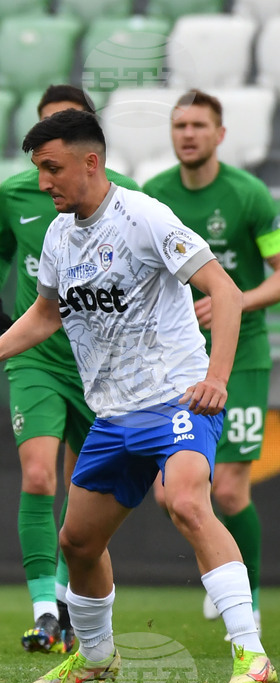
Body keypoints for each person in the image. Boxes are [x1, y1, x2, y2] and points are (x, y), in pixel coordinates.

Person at [0, 108, 276, 683]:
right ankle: (98, 658)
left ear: (91, 162)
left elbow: (226, 292)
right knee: (77, 542)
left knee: (187, 503)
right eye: (38, 170)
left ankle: (251, 655)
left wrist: (217, 378)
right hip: (113, 413)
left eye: (52, 168)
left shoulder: (144, 216)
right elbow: (46, 313)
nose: (43, 182)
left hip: (178, 398)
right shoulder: (59, 235)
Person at [0, 85, 140, 655]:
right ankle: (45, 613)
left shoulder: (128, 201)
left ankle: (76, 611)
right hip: (37, 359)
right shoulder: (18, 194)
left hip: (98, 366)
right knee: (39, 477)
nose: (46, 174)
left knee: (82, 491)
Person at [143, 89, 280, 635]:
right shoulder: (154, 195)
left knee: (227, 488)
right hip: (176, 362)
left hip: (240, 357)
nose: (188, 134)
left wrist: (233, 301)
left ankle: (247, 602)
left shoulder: (249, 195)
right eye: (180, 126)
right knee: (168, 492)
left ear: (220, 135)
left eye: (199, 125)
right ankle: (220, 567)